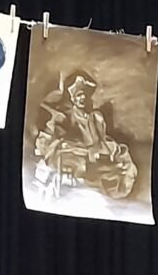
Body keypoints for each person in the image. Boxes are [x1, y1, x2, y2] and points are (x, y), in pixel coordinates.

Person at [33, 71, 137, 199]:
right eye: (78, 95)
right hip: (77, 159)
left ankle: (114, 181)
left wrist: (108, 150)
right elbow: (54, 138)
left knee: (120, 169)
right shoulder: (64, 116)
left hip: (97, 157)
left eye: (85, 95)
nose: (82, 98)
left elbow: (103, 140)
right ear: (71, 97)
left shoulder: (95, 117)